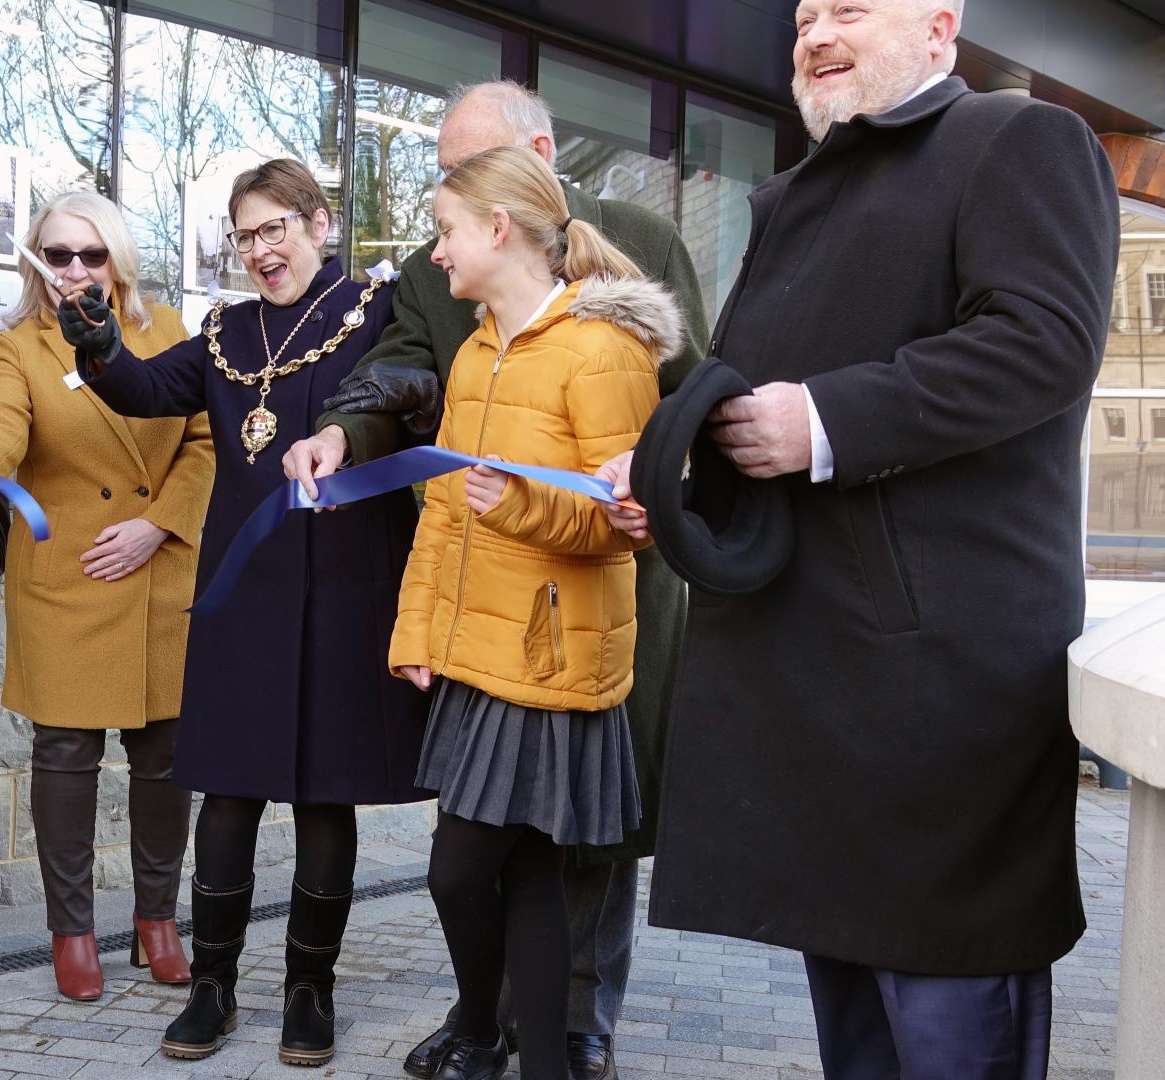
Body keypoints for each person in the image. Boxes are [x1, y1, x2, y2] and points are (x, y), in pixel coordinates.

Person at [596, 3, 1119, 1078]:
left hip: (935, 694)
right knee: (857, 1030)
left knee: (945, 1010)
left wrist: (821, 423)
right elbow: (757, 409)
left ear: (938, 28)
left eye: (847, 7)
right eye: (800, 16)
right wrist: (674, 473)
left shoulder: (1017, 138)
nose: (811, 32)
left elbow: (1042, 344)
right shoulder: (801, 194)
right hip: (815, 688)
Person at [284, 80, 710, 1080]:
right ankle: (489, 1021)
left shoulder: (637, 243)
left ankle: (571, 1021)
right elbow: (402, 377)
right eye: (439, 170)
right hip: (485, 605)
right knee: (495, 847)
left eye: (457, 171)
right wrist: (344, 430)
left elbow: (689, 403)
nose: (440, 194)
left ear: (525, 165)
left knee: (580, 839)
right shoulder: (463, 303)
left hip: (594, 601)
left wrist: (653, 487)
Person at [57, 159, 430, 1068]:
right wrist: (97, 340)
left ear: (319, 224)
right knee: (225, 796)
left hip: (347, 588)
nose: (261, 251)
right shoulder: (225, 330)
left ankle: (311, 993)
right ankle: (215, 987)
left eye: (276, 230)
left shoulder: (375, 315)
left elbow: (413, 406)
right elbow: (146, 393)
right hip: (242, 588)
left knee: (323, 798)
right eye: (245, 235)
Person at [392, 145, 676, 1080]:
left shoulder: (603, 348)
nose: (437, 252)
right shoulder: (476, 348)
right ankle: (510, 1049)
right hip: (474, 651)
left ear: (499, 230)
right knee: (518, 875)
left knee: (466, 871)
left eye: (446, 231)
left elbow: (627, 522)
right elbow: (442, 504)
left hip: (551, 656)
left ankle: (488, 1037)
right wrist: (416, 630)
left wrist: (514, 504)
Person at [0, 192, 214, 1001]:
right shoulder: (20, 348)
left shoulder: (173, 332)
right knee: (66, 759)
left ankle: (158, 922)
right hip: (69, 577)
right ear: (34, 263)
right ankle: (71, 932)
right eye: (57, 254)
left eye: (91, 255)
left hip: (156, 571)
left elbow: (205, 442)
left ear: (120, 261)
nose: (73, 270)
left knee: (164, 758)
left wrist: (161, 524)